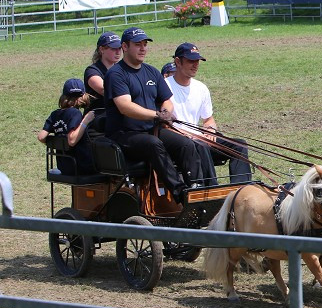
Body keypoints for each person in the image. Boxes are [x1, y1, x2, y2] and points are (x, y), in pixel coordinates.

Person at [104, 27, 200, 203]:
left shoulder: (152, 71)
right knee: (153, 144)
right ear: (124, 46)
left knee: (186, 144)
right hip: (124, 135)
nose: (143, 48)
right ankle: (179, 193)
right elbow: (125, 106)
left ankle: (197, 189)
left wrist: (165, 112)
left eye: (145, 44)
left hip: (151, 130)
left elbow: (168, 101)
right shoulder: (116, 74)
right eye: (137, 44)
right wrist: (157, 115)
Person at [165, 42, 252, 184]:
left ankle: (240, 189)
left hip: (200, 140)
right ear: (178, 62)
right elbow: (164, 125)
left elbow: (208, 119)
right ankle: (212, 190)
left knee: (239, 145)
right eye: (190, 61)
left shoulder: (201, 88)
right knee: (201, 145)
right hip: (181, 144)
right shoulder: (165, 86)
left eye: (197, 61)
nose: (195, 65)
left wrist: (210, 130)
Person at [37, 78, 95, 174]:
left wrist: (57, 141)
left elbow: (41, 137)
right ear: (83, 96)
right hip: (80, 166)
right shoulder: (75, 113)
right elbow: (72, 140)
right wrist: (86, 121)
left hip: (63, 167)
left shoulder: (54, 114)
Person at [83, 31, 123, 133]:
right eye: (113, 49)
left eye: (119, 48)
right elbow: (104, 90)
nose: (118, 52)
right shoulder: (92, 71)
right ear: (101, 49)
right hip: (98, 116)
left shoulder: (122, 70)